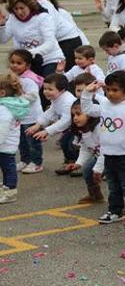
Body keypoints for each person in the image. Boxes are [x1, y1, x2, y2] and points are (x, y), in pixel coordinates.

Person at [81, 71, 125, 226]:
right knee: (113, 185)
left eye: (115, 90)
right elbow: (88, 109)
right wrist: (86, 92)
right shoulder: (104, 104)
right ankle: (115, 210)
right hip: (108, 154)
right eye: (108, 89)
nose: (110, 93)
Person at [0, 0, 65, 77]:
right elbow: (3, 39)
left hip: (50, 59)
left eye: (22, 8)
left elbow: (50, 43)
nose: (19, 12)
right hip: (28, 62)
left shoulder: (43, 17)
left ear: (29, 6)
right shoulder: (12, 18)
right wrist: (2, 25)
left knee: (48, 85)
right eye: (16, 9)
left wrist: (29, 53)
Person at [25, 74, 77, 173]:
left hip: (79, 126)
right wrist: (38, 125)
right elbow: (50, 112)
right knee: (64, 143)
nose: (46, 92)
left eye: (50, 89)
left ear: (62, 90)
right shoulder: (57, 98)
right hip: (72, 126)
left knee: (72, 144)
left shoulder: (67, 101)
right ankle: (69, 163)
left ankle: (78, 164)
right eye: (45, 88)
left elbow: (66, 120)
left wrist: (47, 131)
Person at [8, 50, 43, 175]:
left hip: (31, 117)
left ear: (27, 66)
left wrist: (16, 99)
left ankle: (36, 162)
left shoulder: (28, 80)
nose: (14, 65)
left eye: (19, 63)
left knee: (32, 142)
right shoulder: (15, 77)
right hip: (21, 116)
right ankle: (25, 160)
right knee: (21, 141)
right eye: (12, 62)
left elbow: (33, 96)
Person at [65, 100, 105, 205]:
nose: (75, 118)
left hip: (114, 157)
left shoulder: (100, 128)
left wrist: (98, 169)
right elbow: (86, 148)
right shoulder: (83, 129)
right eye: (73, 115)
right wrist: (79, 163)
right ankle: (95, 195)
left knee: (117, 181)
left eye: (79, 114)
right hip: (100, 156)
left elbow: (105, 151)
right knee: (87, 170)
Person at [0, 73, 30, 204]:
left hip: (4, 145)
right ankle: (7, 187)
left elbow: (2, 129)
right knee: (7, 167)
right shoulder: (11, 105)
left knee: (8, 168)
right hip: (8, 144)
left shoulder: (4, 109)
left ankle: (10, 191)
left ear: (1, 93)